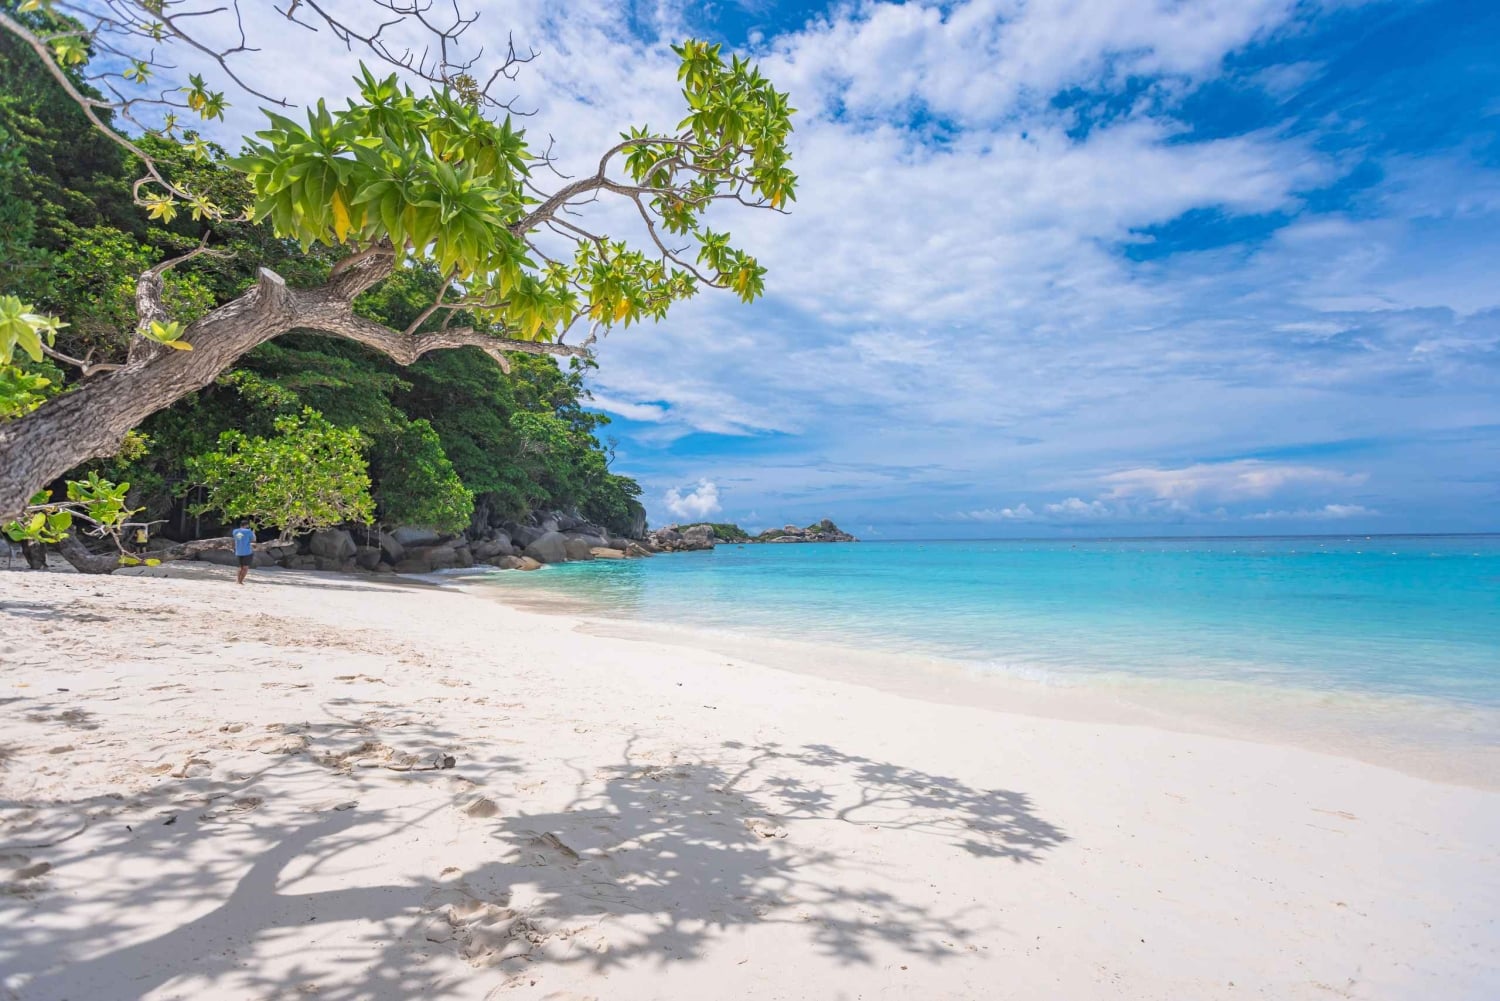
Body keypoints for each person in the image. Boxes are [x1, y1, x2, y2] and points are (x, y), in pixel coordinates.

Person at [231, 519, 256, 585]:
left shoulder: (235, 531)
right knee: (245, 568)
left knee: (240, 567)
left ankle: (238, 581)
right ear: (247, 525)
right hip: (247, 552)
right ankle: (241, 581)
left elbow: (238, 539)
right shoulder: (248, 531)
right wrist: (252, 532)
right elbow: (253, 539)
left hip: (238, 551)